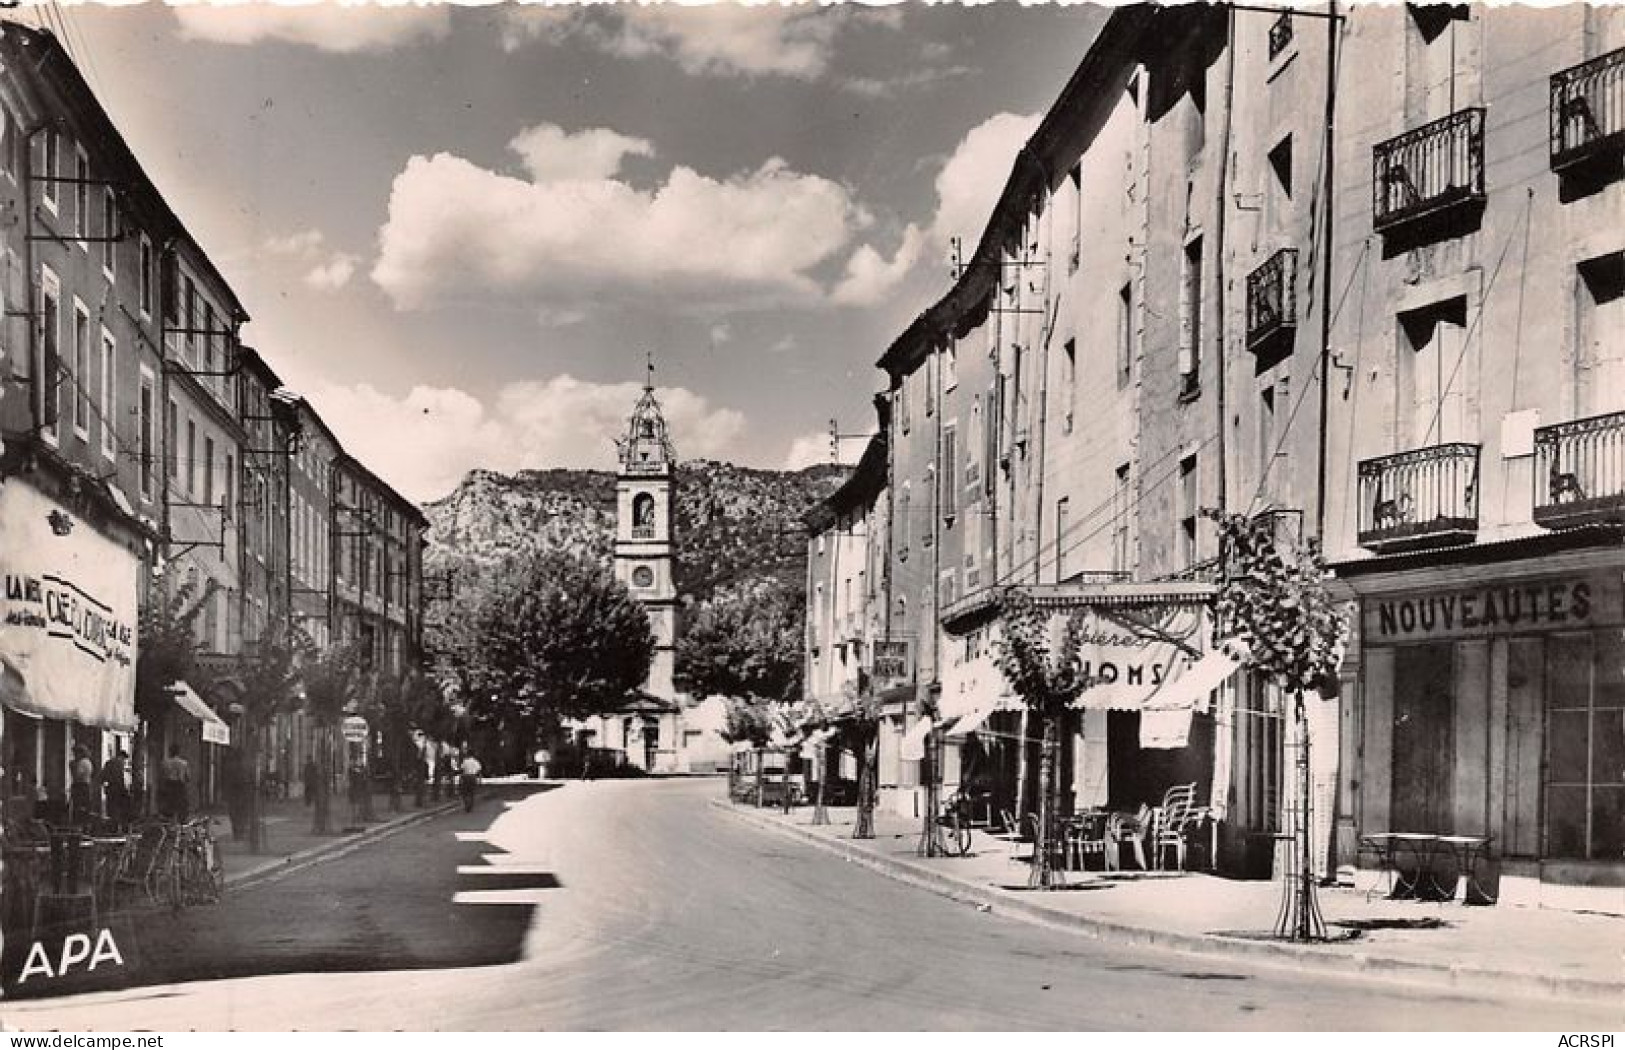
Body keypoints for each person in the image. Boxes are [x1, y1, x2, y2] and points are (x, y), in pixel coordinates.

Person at [159, 744, 191, 822]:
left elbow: (162, 776)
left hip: (168, 785)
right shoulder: (184, 763)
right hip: (179, 785)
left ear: (170, 752)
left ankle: (168, 821)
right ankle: (181, 821)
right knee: (182, 805)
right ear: (178, 752)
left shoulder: (165, 763)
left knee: (168, 805)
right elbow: (188, 777)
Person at [101, 749, 131, 829]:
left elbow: (103, 776)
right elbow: (120, 779)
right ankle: (119, 826)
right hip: (118, 790)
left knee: (111, 809)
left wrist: (105, 785)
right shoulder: (119, 764)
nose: (124, 762)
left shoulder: (108, 763)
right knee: (120, 809)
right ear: (122, 757)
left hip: (110, 789)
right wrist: (125, 791)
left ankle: (113, 827)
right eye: (124, 759)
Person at [68, 746, 96, 826]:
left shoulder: (82, 762)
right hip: (86, 785)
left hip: (80, 786)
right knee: (85, 807)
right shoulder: (88, 762)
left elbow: (78, 775)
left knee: (78, 806)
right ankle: (85, 825)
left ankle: (79, 825)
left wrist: (72, 767)